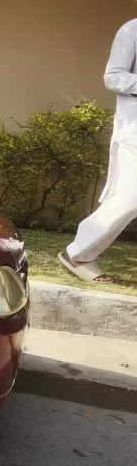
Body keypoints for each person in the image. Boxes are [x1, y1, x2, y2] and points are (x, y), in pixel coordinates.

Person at [59, 19, 137, 283]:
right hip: (134, 131)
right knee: (130, 198)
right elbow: (113, 76)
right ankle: (79, 253)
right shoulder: (131, 30)